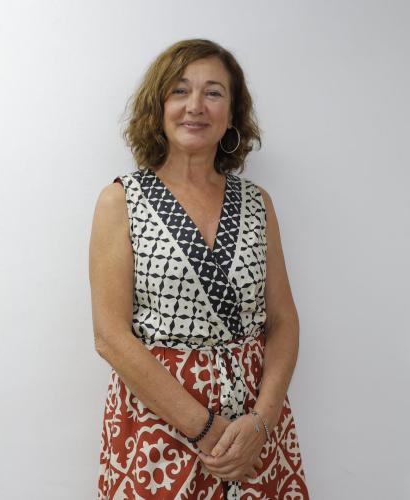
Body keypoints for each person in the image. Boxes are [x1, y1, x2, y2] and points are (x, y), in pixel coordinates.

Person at [89, 38, 310, 499]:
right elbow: (110, 336)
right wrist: (206, 429)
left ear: (232, 114)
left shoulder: (257, 203)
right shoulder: (121, 201)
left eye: (213, 92)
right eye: (180, 90)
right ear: (158, 107)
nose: (195, 106)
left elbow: (283, 318)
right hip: (158, 426)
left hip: (253, 430)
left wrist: (260, 423)